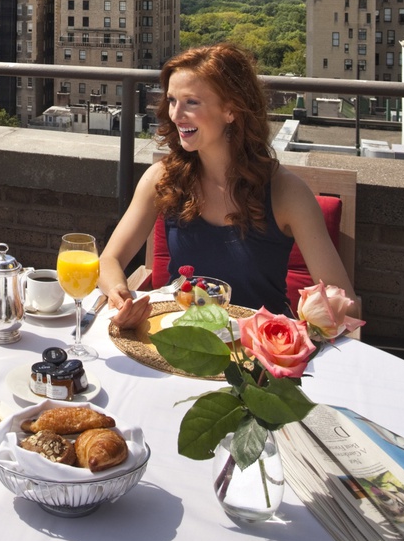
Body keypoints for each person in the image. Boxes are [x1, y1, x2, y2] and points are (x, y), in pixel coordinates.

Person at [99, 43, 359, 329]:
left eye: (191, 102)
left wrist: (304, 330)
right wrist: (119, 294)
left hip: (254, 358)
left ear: (231, 110)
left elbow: (345, 302)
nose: (175, 114)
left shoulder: (287, 193)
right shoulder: (162, 178)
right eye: (172, 100)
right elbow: (109, 259)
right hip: (178, 341)